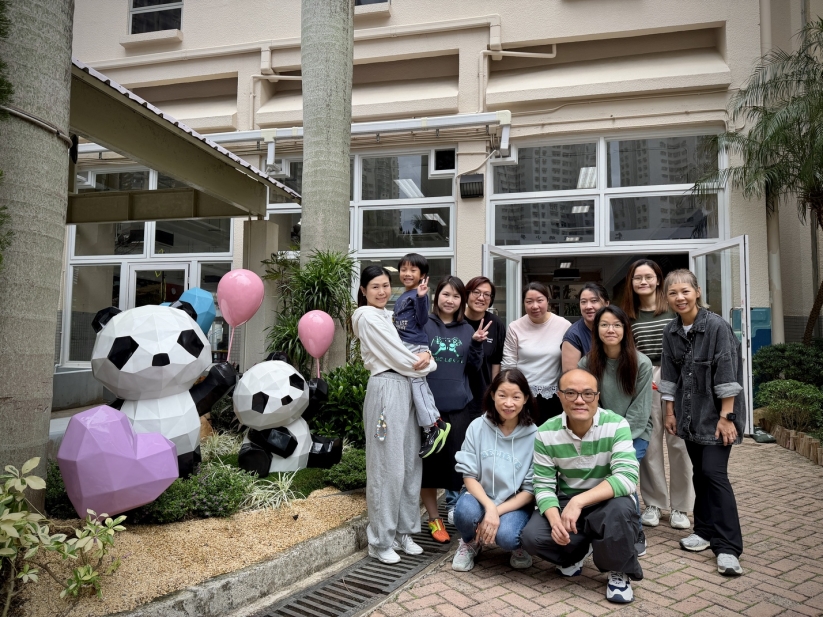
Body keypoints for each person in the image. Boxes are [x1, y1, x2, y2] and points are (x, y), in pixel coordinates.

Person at [520, 368, 643, 604]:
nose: (579, 400)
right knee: (532, 537)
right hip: (567, 500)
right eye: (571, 393)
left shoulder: (616, 425)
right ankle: (578, 552)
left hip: (607, 500)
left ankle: (618, 570)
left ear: (597, 396)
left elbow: (627, 477)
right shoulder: (545, 433)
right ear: (559, 396)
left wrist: (579, 501)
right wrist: (555, 521)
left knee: (619, 511)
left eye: (588, 393)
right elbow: (543, 485)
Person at [660, 269, 746, 577]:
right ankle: (705, 531)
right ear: (666, 298)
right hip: (688, 416)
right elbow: (669, 376)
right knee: (700, 472)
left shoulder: (717, 326)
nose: (680, 298)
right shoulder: (671, 331)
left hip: (717, 416)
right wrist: (669, 413)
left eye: (685, 291)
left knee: (714, 473)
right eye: (673, 293)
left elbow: (727, 373)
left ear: (697, 292)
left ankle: (728, 547)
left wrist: (726, 417)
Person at [351, 265, 436, 565]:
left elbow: (417, 341)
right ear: (363, 290)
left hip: (409, 387)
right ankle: (380, 540)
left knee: (410, 463)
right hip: (387, 386)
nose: (382, 291)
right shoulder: (365, 316)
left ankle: (403, 532)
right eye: (375, 286)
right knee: (387, 467)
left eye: (386, 285)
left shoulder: (390, 315)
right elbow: (399, 356)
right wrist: (429, 362)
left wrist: (426, 354)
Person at [621, 259, 694, 530]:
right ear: (631, 283)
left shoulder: (674, 309)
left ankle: (681, 507)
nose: (643, 282)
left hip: (677, 374)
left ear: (658, 280)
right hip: (645, 376)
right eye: (637, 277)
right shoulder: (628, 315)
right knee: (649, 441)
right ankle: (653, 503)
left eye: (648, 277)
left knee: (679, 442)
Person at [579, 305, 653, 555]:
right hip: (598, 432)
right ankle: (596, 530)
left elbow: (640, 411)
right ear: (596, 329)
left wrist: (615, 439)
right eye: (604, 325)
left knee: (622, 478)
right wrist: (600, 435)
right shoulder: (587, 363)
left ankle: (635, 529)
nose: (610, 330)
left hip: (635, 434)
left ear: (625, 329)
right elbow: (587, 405)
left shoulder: (641, 363)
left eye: (616, 325)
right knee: (594, 479)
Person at [420, 276, 489, 543]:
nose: (450, 300)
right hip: (427, 411)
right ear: (437, 296)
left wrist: (477, 344)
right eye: (446, 294)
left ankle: (461, 513)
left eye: (456, 296)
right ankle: (434, 518)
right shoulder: (424, 324)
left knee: (458, 467)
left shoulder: (466, 329)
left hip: (459, 408)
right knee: (428, 469)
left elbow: (473, 368)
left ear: (462, 301)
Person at [451, 369, 538, 572]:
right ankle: (469, 542)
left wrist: (495, 512)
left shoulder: (535, 435)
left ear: (526, 398)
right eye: (502, 395)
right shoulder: (477, 427)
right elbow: (469, 476)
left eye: (516, 397)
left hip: (514, 503)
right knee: (463, 513)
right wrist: (489, 507)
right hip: (479, 496)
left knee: (507, 536)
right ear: (492, 395)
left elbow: (529, 491)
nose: (508, 403)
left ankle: (517, 544)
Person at [455, 276, 507, 521]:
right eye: (476, 292)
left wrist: (494, 395)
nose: (481, 297)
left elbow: (496, 361)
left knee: (482, 449)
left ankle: (481, 499)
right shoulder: (456, 321)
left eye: (487, 294)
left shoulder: (495, 324)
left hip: (483, 396)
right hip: (457, 395)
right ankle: (455, 502)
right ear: (467, 294)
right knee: (457, 447)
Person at [392, 252, 450, 458]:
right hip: (405, 345)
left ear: (422, 275)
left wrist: (422, 296)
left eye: (413, 270)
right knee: (418, 385)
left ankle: (431, 426)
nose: (407, 273)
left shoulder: (419, 294)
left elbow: (423, 319)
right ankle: (436, 423)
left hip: (414, 344)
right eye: (404, 269)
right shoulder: (403, 295)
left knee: (417, 384)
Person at [502, 282, 571, 425]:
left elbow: (570, 362)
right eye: (529, 301)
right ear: (523, 303)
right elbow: (509, 364)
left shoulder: (564, 325)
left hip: (554, 396)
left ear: (547, 300)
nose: (535, 306)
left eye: (540, 300)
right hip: (522, 395)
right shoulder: (515, 327)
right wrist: (508, 392)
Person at [561, 283, 609, 372]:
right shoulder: (573, 335)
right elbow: (570, 376)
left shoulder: (616, 329)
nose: (588, 306)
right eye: (583, 302)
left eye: (594, 301)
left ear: (606, 304)